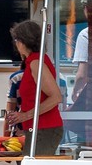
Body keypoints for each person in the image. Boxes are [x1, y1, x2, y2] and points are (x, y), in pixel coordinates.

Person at [5, 19, 63, 157]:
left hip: (44, 128)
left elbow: (56, 97)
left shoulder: (36, 62)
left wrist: (25, 115)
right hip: (38, 128)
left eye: (16, 40)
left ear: (22, 41)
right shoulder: (34, 61)